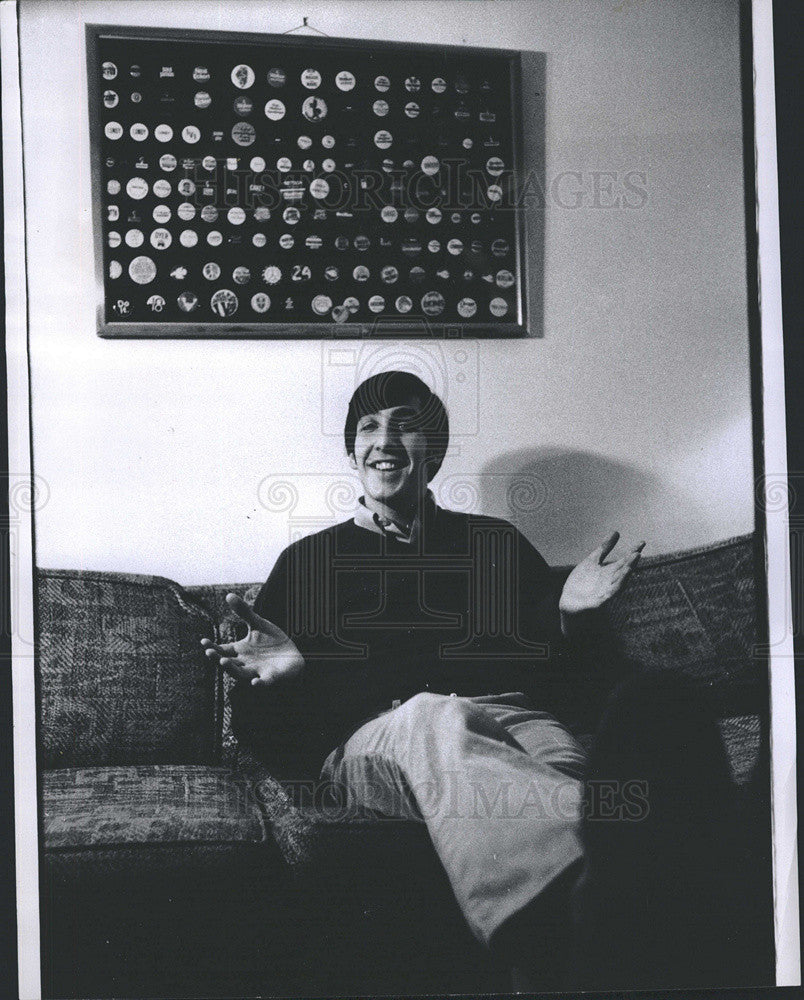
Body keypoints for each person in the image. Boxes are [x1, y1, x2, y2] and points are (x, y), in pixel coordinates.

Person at [201, 370, 644, 988]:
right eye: (368, 427)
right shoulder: (305, 564)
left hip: (519, 723)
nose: (385, 439)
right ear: (352, 453)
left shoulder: (496, 544)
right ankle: (640, 883)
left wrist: (571, 620)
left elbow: (583, 690)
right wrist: (294, 679)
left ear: (432, 449)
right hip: (384, 743)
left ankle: (557, 953)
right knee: (435, 714)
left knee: (561, 774)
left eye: (405, 425)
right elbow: (258, 732)